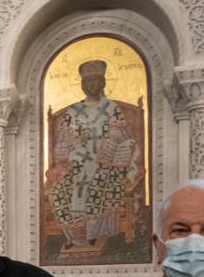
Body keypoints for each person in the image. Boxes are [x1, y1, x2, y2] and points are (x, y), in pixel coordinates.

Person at [47, 59, 139, 250]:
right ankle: (75, 237)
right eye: (87, 81)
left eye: (95, 80)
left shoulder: (111, 108)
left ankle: (97, 235)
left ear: (103, 82)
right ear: (82, 84)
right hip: (78, 163)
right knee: (59, 191)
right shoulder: (73, 111)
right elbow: (61, 145)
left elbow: (125, 137)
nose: (91, 85)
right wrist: (75, 145)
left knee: (98, 184)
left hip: (107, 162)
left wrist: (109, 140)